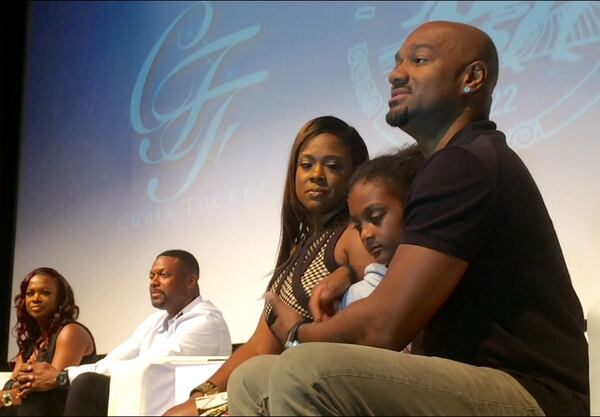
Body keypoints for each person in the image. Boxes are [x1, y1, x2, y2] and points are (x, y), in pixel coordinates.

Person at [227, 21, 589, 416]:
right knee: (253, 378)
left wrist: (299, 331)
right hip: (469, 377)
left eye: (419, 61)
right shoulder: (449, 165)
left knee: (303, 372)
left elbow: (383, 326)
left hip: (531, 392)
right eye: (398, 62)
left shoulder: (465, 163)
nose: (395, 73)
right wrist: (348, 275)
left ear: (472, 77)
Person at [164, 115, 374, 416]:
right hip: (274, 385)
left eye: (333, 166)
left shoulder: (353, 235)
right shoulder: (298, 250)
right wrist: (201, 395)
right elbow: (258, 346)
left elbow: (377, 316)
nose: (317, 174)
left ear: (354, 175)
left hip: (312, 390)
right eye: (306, 165)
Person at [14, 249, 231, 416]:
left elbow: (146, 366)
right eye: (151, 276)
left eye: (163, 275)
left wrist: (63, 377)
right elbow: (117, 358)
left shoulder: (204, 321)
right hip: (149, 399)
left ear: (191, 281)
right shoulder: (157, 320)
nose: (153, 282)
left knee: (87, 385)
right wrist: (63, 377)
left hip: (190, 405)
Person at [0, 267, 96, 416]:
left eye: (45, 292)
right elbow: (13, 387)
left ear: (59, 299)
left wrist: (6, 398)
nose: (35, 298)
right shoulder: (30, 345)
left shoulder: (70, 332)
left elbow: (47, 386)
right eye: (30, 293)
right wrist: (8, 396)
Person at [338, 145, 424, 311]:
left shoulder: (439, 276)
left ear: (411, 206)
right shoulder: (357, 295)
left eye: (376, 218)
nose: (366, 234)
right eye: (358, 227)